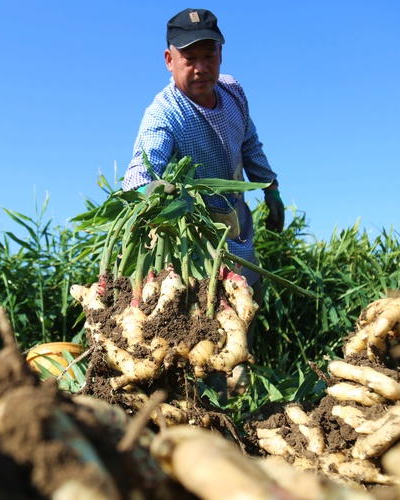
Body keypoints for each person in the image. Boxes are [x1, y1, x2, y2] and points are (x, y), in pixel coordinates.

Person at [122, 8, 285, 400]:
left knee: (250, 302)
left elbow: (249, 143)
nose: (200, 67)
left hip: (236, 226)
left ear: (220, 55)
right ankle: (207, 400)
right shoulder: (164, 114)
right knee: (206, 318)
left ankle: (241, 384)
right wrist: (156, 192)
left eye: (208, 55)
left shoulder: (233, 92)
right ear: (169, 60)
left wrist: (269, 185)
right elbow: (138, 175)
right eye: (189, 58)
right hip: (193, 240)